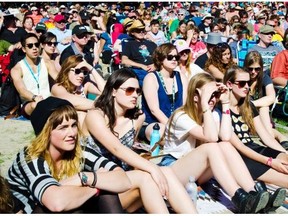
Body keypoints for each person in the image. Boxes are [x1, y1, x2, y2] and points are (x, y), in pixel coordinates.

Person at [159, 72, 283, 213]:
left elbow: (225, 136)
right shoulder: (181, 116)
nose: (213, 99)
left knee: (225, 145)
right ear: (195, 97)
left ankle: (254, 194)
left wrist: (225, 103)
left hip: (197, 173)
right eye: (210, 95)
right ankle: (240, 198)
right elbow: (211, 138)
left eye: (215, 94)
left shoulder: (212, 114)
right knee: (212, 147)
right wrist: (205, 104)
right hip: (174, 169)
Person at [82, 68, 197, 213]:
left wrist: (152, 170)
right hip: (100, 188)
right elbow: (116, 148)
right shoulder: (95, 115)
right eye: (129, 90)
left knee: (166, 171)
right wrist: (152, 168)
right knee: (150, 174)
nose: (135, 95)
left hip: (125, 183)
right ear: (113, 91)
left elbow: (127, 157)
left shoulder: (136, 119)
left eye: (138, 91)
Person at [6, 97, 131, 213]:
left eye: (74, 125)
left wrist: (83, 177)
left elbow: (124, 180)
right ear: (46, 132)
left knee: (106, 192)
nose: (72, 133)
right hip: (29, 211)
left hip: (62, 205)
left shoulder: (78, 150)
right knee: (102, 187)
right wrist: (96, 187)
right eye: (63, 128)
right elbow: (56, 202)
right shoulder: (31, 156)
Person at [222, 66, 288, 193]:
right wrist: (270, 162)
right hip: (239, 157)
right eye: (241, 83)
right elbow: (240, 146)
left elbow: (266, 137)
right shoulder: (222, 109)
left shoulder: (248, 106)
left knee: (285, 160)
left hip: (254, 148)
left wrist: (283, 154)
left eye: (248, 82)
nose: (247, 86)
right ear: (229, 84)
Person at [141, 43, 188, 141]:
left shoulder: (181, 77)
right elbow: (154, 110)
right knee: (161, 132)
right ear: (160, 59)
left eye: (176, 57)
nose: (174, 59)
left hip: (177, 121)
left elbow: (184, 105)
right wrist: (172, 128)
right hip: (154, 123)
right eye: (170, 57)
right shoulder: (151, 78)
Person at [10, 33, 58, 118]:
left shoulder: (47, 63)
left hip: (48, 100)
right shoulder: (17, 69)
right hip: (29, 103)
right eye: (30, 46)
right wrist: (35, 97)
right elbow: (21, 90)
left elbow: (59, 78)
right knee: (35, 105)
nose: (34, 48)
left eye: (36, 44)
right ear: (24, 49)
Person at [51, 55, 105, 127]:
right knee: (81, 114)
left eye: (84, 72)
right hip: (65, 127)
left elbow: (106, 91)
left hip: (84, 125)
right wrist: (102, 104)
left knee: (101, 97)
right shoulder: (57, 87)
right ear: (66, 71)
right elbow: (73, 102)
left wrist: (91, 69)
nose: (81, 75)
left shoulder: (84, 85)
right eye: (77, 71)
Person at [121, 19, 157, 87]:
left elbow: (161, 57)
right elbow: (124, 60)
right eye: (138, 30)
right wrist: (141, 66)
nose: (141, 32)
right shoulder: (129, 44)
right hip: (139, 71)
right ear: (132, 32)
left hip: (154, 69)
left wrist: (155, 65)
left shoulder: (151, 44)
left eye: (142, 30)